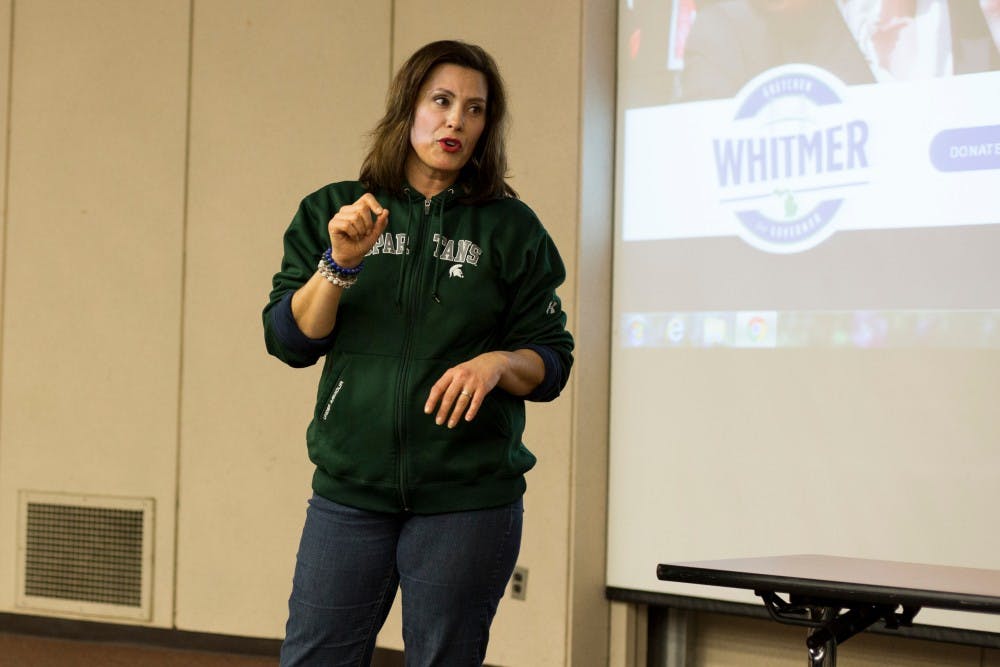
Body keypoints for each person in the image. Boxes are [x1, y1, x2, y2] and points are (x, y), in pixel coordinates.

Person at [262, 40, 574, 666]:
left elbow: (552, 358)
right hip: (350, 490)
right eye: (441, 101)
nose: (456, 120)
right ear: (408, 110)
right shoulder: (339, 210)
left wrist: (500, 363)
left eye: (475, 109)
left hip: (468, 498)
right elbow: (289, 340)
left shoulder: (512, 230)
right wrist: (338, 265)